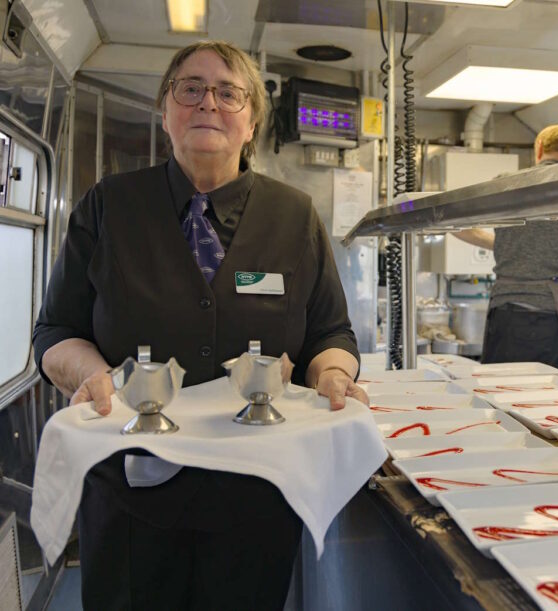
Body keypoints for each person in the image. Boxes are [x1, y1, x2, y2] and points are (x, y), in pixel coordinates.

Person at [33, 40, 367, 610]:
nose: (208, 102)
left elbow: (331, 333)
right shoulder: (108, 207)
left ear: (252, 121)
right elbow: (55, 331)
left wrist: (334, 374)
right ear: (165, 112)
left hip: (256, 498)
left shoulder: (295, 217)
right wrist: (88, 375)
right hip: (129, 499)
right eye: (190, 88)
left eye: (228, 92)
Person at [455, 124, 558, 379]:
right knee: (543, 402)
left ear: (539, 149)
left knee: (499, 399)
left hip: (503, 315)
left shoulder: (507, 184)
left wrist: (509, 247)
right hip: (548, 319)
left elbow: (457, 225)